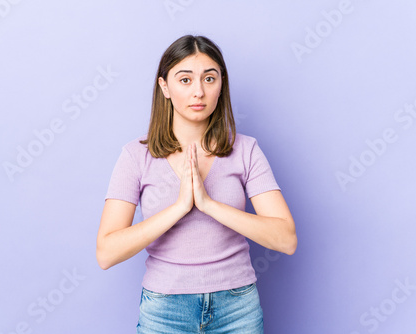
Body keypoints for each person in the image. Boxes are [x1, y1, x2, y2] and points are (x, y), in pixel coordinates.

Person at [96, 35, 297, 333]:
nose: (199, 92)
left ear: (221, 85)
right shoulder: (136, 156)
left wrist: (208, 205)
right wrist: (179, 208)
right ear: (164, 86)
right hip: (165, 310)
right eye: (185, 80)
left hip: (237, 308)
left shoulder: (246, 150)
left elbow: (286, 239)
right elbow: (106, 252)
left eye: (209, 78)